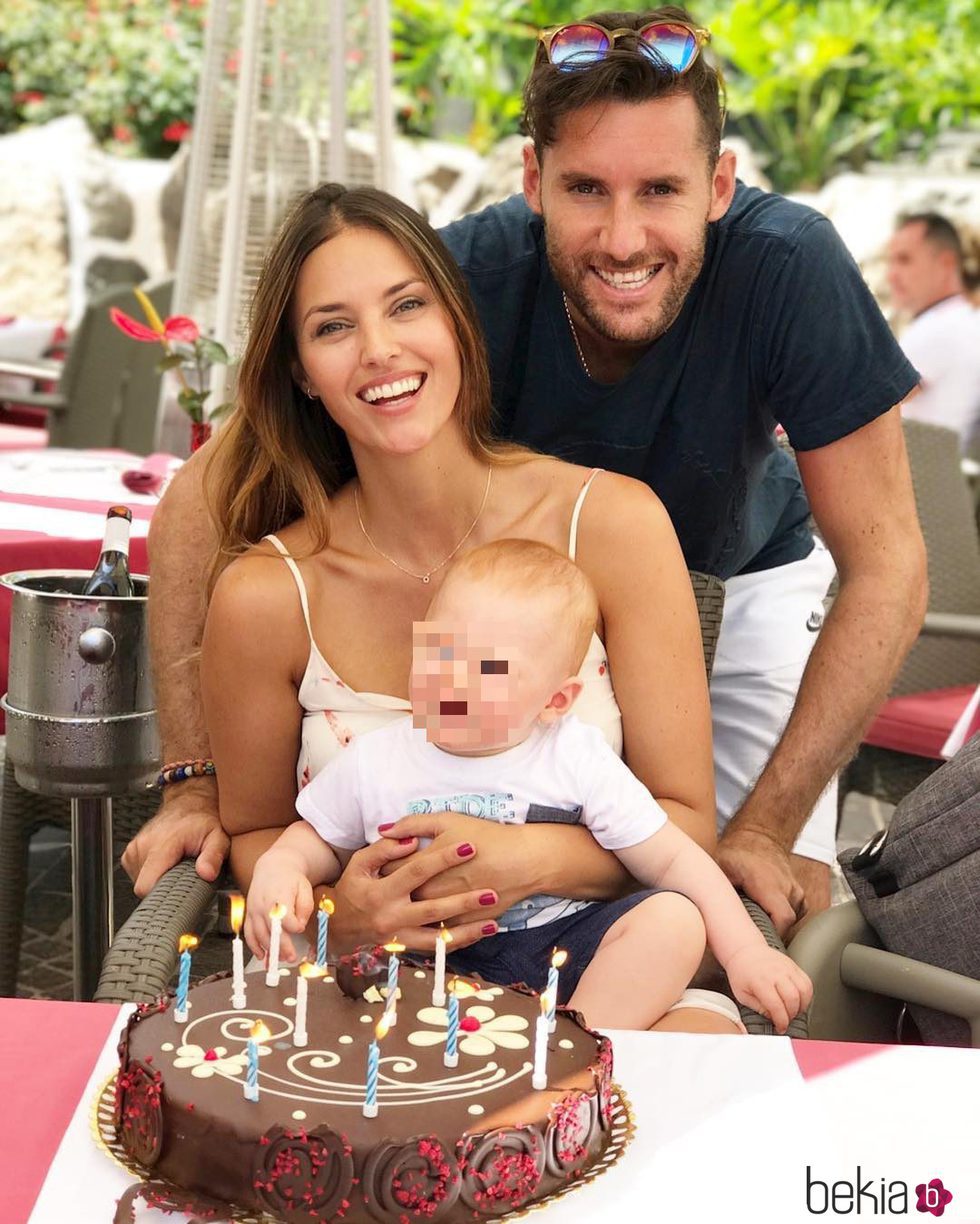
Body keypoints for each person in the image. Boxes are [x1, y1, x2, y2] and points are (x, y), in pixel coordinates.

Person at [124, 6, 927, 939]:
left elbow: (888, 566)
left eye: (660, 190)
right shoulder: (454, 281)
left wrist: (767, 825)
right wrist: (192, 783)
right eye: (586, 188)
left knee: (749, 907)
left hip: (742, 576)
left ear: (718, 186)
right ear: (533, 181)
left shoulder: (790, 267)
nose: (623, 239)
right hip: (504, 585)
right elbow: (196, 501)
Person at [196, 182, 741, 1034]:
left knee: (699, 1053)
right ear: (300, 371)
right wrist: (345, 917)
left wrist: (532, 858)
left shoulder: (611, 524)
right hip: (382, 997)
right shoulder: (267, 594)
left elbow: (684, 820)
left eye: (406, 305)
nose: (378, 349)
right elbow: (261, 833)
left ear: (456, 321)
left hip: (599, 975)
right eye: (333, 327)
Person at [246, 539, 812, 1032]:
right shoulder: (378, 759)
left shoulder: (573, 756)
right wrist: (282, 868)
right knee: (295, 954)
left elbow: (674, 861)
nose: (453, 679)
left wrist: (744, 952)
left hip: (555, 954)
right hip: (417, 961)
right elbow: (316, 837)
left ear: (555, 701)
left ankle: (573, 1051)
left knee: (674, 920)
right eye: (441, 652)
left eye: (489, 670)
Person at [887, 211, 980, 455]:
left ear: (947, 263)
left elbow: (865, 406)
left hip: (912, 477)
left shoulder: (940, 326)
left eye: (904, 260)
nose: (891, 274)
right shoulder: (965, 318)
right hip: (939, 477)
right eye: (891, 261)